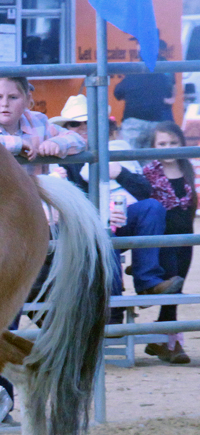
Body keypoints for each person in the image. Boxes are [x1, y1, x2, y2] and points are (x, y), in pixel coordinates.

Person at [47, 96, 183, 300]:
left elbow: (145, 191)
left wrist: (120, 173)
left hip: (113, 222)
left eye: (88, 122)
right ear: (66, 129)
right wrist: (103, 214)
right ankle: (115, 306)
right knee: (107, 233)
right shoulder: (59, 159)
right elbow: (65, 205)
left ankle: (148, 282)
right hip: (80, 230)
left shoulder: (114, 150)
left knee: (152, 208)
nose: (83, 128)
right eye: (75, 123)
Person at [141, 122, 195, 364]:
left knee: (178, 286)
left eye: (173, 143)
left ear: (182, 143)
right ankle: (171, 342)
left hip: (186, 236)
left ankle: (161, 339)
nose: (169, 148)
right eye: (162, 144)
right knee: (172, 285)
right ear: (153, 147)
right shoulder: (149, 172)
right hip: (163, 237)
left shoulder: (188, 168)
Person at [0, 77, 85, 175]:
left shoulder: (38, 121)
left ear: (27, 99)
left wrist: (56, 143)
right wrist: (18, 144)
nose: (5, 104)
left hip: (34, 190)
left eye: (13, 97)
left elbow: (78, 139)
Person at [115, 42, 174, 149]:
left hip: (134, 122)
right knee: (152, 158)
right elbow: (168, 94)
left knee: (129, 156)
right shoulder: (162, 76)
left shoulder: (132, 75)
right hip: (155, 122)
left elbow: (117, 93)